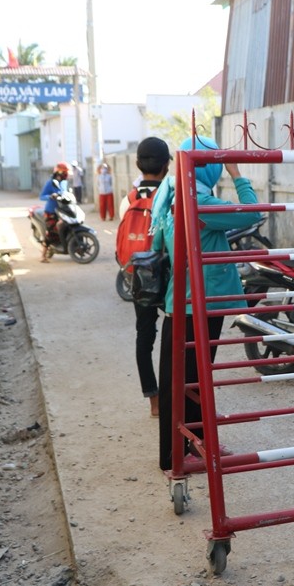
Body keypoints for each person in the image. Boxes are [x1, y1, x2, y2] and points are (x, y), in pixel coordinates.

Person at [149, 135, 262, 471]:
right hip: (201, 303)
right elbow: (251, 211)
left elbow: (158, 241)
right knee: (193, 381)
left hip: (177, 303)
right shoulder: (202, 202)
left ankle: (189, 446)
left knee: (185, 380)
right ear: (209, 167)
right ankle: (176, 454)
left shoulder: (171, 196)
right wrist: (237, 172)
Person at [118, 138, 173, 417]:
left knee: (144, 336)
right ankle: (177, 394)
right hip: (171, 274)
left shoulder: (127, 200)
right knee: (175, 336)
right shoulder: (173, 196)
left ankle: (154, 401)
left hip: (141, 276)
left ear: (139, 164)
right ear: (166, 165)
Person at [38, 162, 70, 262]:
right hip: (51, 211)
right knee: (51, 232)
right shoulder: (50, 183)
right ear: (58, 172)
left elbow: (65, 193)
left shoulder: (64, 183)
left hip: (62, 210)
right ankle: (43, 256)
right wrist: (50, 196)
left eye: (66, 172)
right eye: (64, 172)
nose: (65, 174)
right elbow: (42, 196)